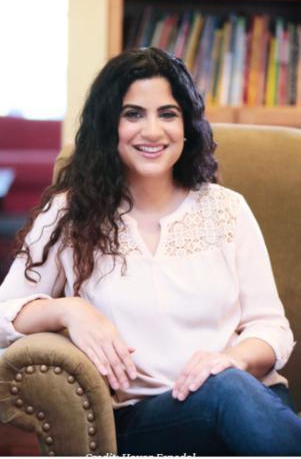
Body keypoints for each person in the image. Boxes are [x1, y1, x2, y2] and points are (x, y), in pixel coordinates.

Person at [0, 47, 300, 455]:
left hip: (250, 399)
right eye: (133, 114)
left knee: (230, 388)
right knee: (226, 394)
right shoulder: (70, 213)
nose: (153, 131)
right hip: (148, 420)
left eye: (168, 114)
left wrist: (234, 361)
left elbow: (272, 328)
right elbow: (5, 312)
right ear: (110, 125)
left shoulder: (227, 208)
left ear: (187, 125)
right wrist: (70, 310)